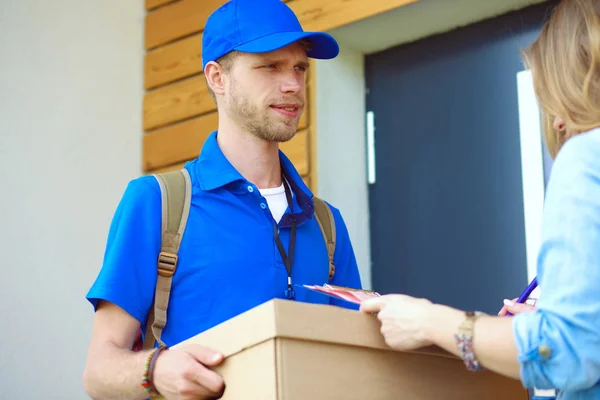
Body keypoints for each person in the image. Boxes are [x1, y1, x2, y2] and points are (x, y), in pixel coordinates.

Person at [82, 0, 363, 398]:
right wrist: (156, 369)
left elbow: (353, 361)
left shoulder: (326, 223)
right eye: (270, 66)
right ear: (217, 77)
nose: (293, 85)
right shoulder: (157, 203)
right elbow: (98, 372)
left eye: (299, 67)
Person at [360, 0, 600, 399]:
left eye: (553, 97)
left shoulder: (586, 156)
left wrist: (430, 322)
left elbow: (564, 354)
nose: (557, 122)